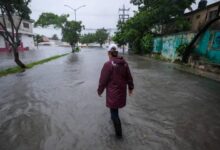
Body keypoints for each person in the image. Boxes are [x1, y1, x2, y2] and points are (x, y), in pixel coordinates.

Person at [97, 44, 134, 138]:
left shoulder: (108, 64)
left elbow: (103, 80)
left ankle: (119, 136)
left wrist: (99, 91)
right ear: (116, 53)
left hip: (113, 93)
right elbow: (129, 77)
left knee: (114, 114)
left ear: (109, 53)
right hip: (121, 93)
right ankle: (115, 129)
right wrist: (130, 88)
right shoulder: (124, 63)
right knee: (115, 111)